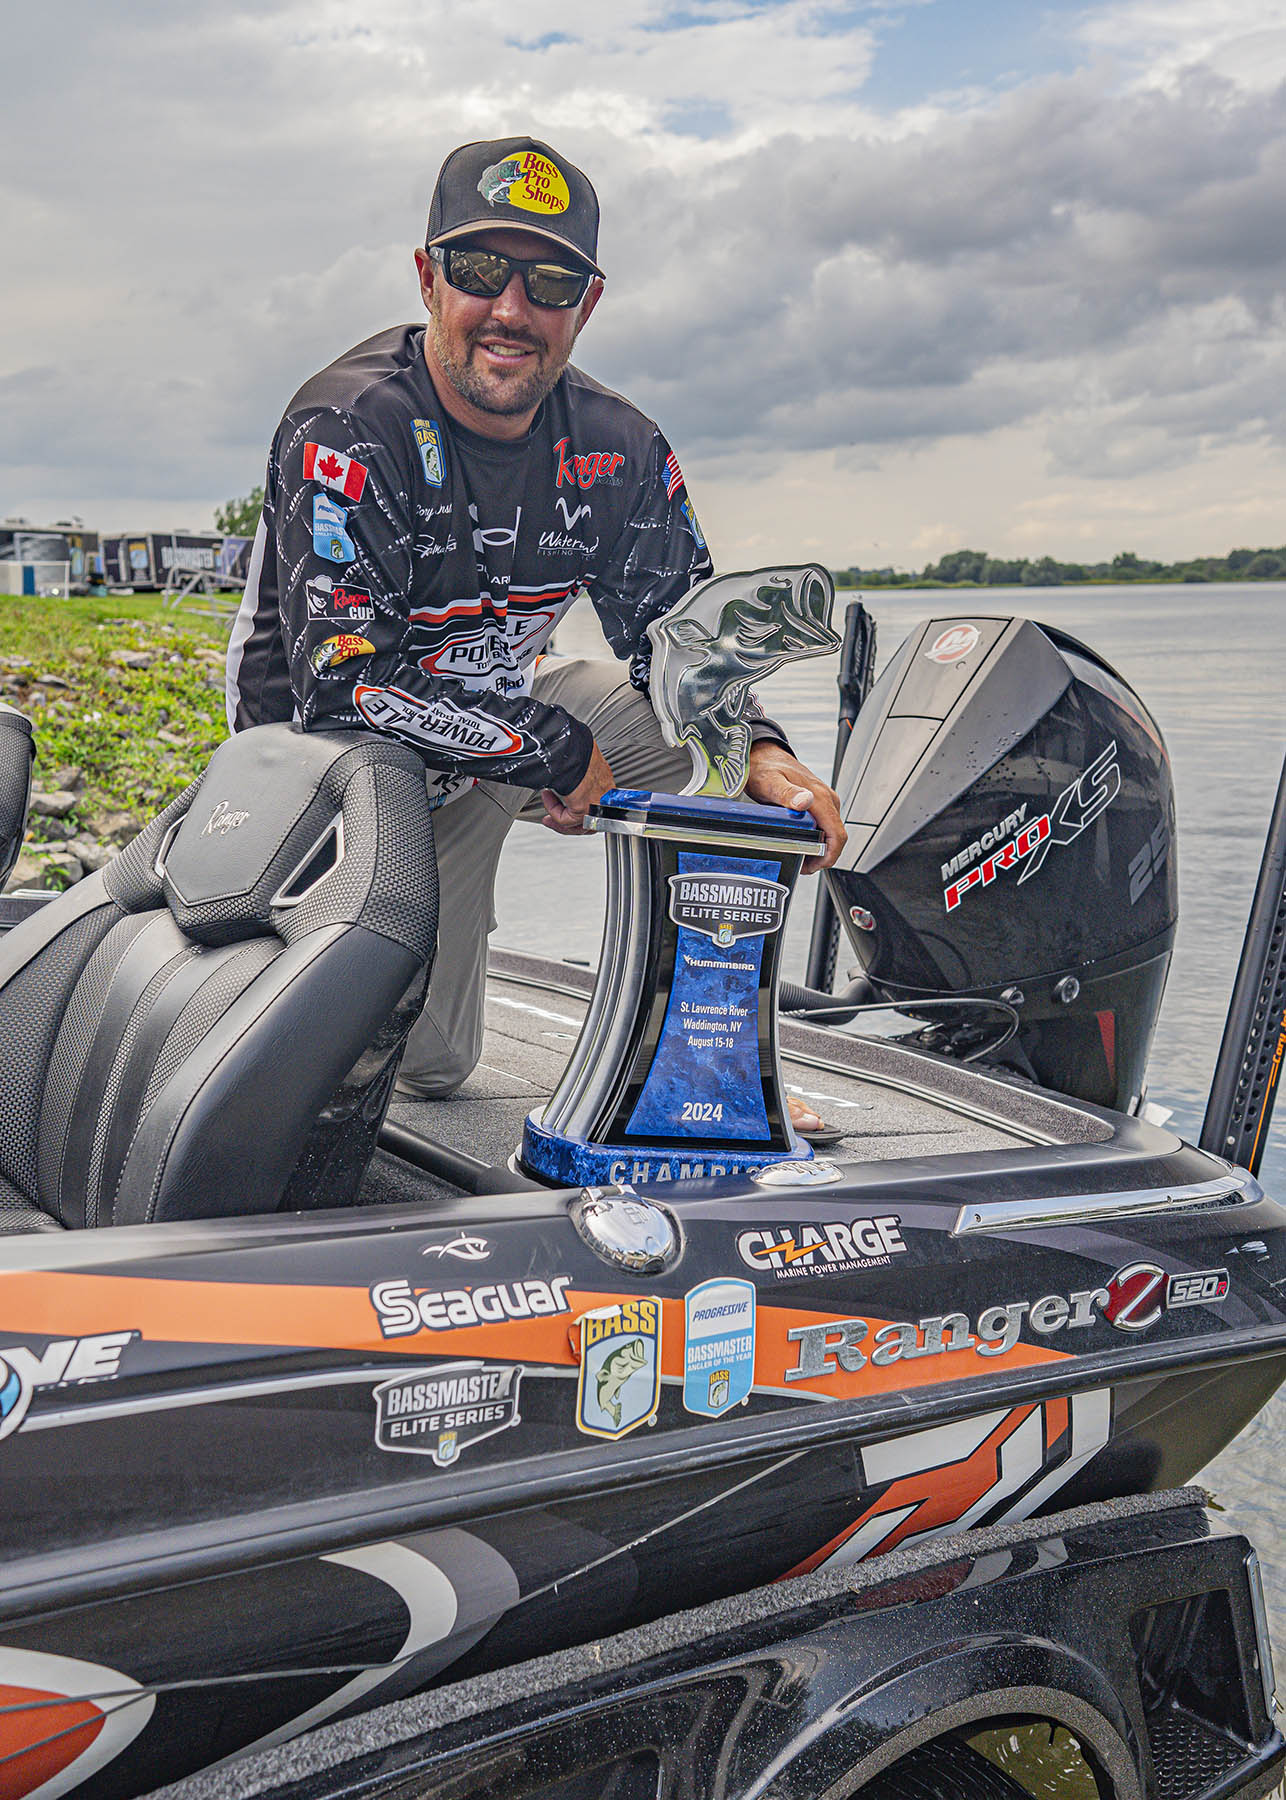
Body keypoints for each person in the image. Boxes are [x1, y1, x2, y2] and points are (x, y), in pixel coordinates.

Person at [226, 135, 846, 1135]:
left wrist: (767, 757)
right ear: (428, 279)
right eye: (479, 272)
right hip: (336, 779)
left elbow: (680, 638)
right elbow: (344, 691)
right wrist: (549, 749)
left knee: (703, 735)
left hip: (496, 734)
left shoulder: (617, 447)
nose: (511, 310)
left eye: (549, 281)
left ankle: (704, 1042)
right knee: (426, 1067)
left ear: (585, 305)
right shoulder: (345, 423)